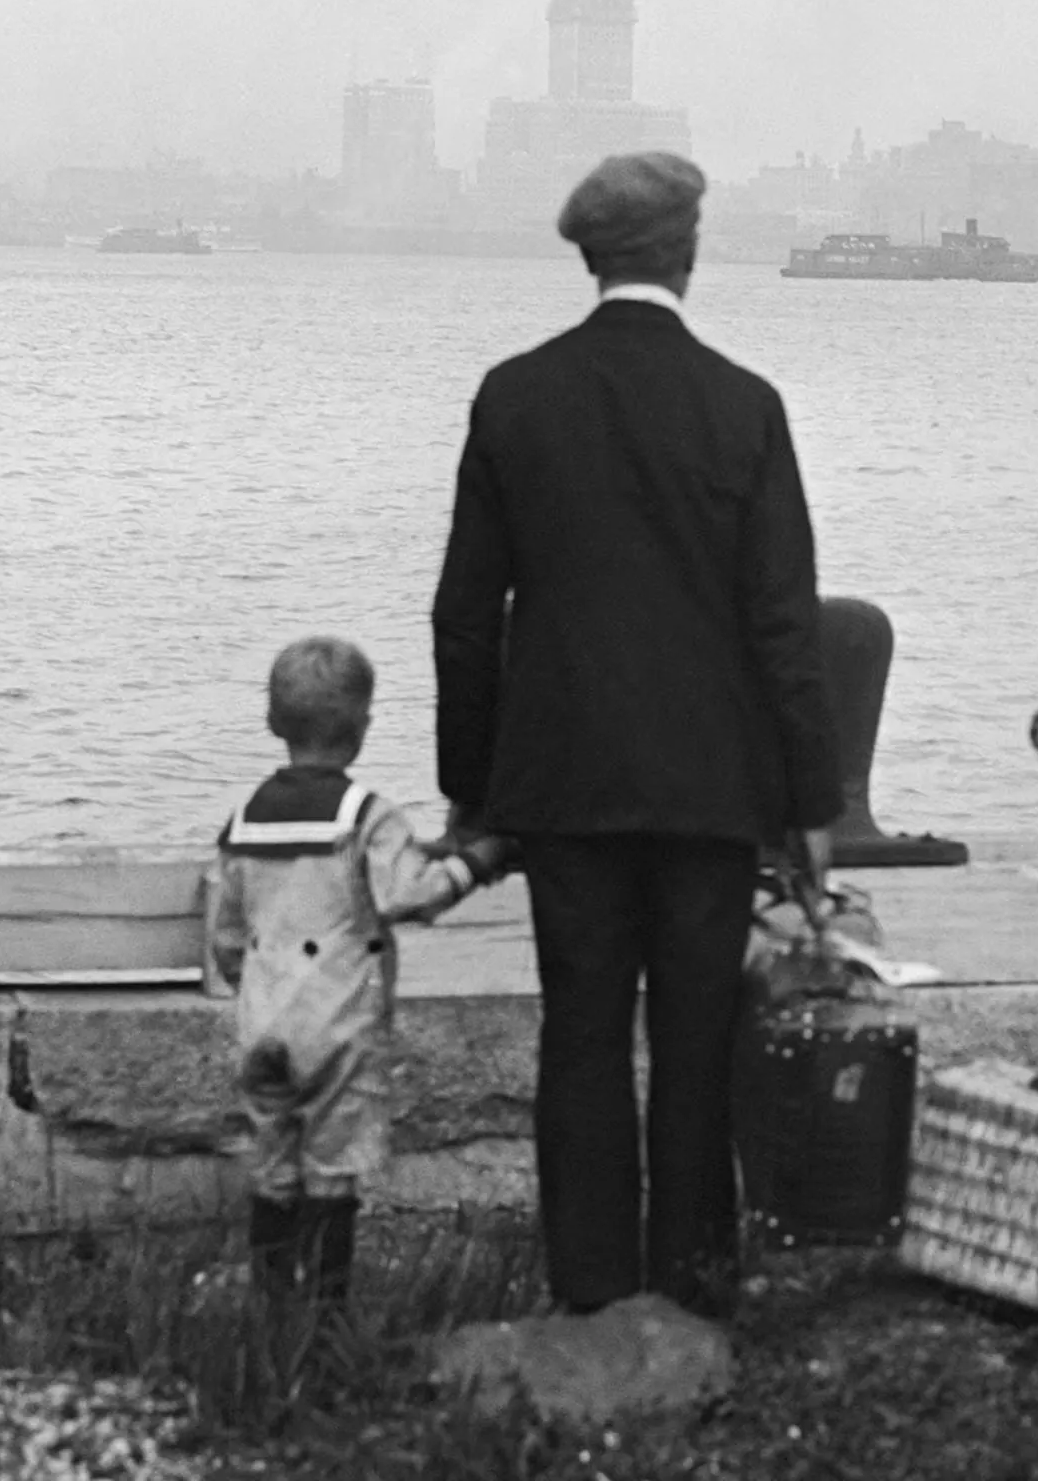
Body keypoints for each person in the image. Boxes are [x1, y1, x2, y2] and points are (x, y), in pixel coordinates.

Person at [431, 151, 841, 1320]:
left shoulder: (514, 396)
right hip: (715, 784)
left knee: (583, 1038)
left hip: (561, 779)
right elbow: (783, 624)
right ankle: (696, 1291)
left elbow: (466, 615)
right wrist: (810, 799)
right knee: (700, 1045)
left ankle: (592, 1295)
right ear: (688, 253)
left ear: (592, 256)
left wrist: (476, 786)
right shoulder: (745, 405)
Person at [201, 636, 514, 1307]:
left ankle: (271, 1304)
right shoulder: (368, 818)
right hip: (338, 1026)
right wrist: (479, 860)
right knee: (331, 1172)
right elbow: (410, 894)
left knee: (274, 1166)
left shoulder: (245, 820)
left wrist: (245, 980)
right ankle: (324, 1313)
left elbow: (226, 930)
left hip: (264, 1022)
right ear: (364, 726)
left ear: (272, 723)